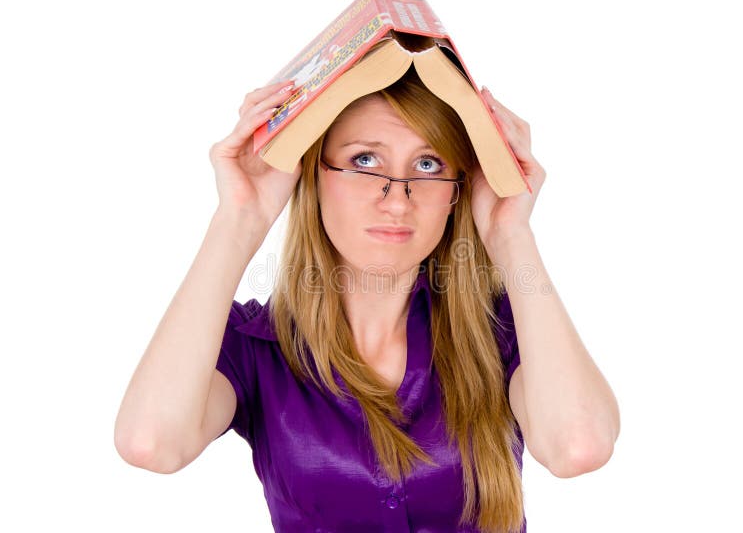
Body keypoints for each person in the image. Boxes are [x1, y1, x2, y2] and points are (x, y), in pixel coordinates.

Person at [114, 68, 620, 533]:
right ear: (314, 176)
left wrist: (511, 235)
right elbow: (152, 444)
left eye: (427, 164)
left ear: (456, 191)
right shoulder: (254, 349)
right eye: (364, 160)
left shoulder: (505, 330)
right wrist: (238, 220)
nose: (397, 199)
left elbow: (578, 447)